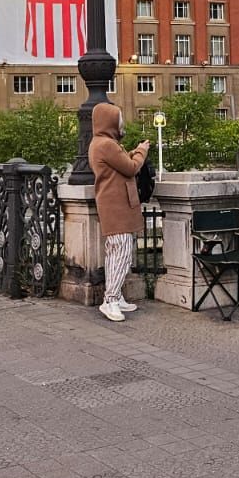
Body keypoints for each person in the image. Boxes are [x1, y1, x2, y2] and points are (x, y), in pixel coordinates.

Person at [89, 102, 149, 322]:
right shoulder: (107, 145)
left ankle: (116, 295)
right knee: (121, 252)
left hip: (114, 204)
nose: (122, 125)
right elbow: (131, 168)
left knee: (115, 252)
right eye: (119, 120)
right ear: (110, 122)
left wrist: (132, 152)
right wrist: (142, 151)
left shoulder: (101, 143)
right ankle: (111, 299)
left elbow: (122, 163)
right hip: (116, 205)